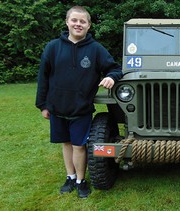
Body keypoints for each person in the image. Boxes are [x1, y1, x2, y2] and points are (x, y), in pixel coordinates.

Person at [35, 6, 122, 198]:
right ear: (67, 22)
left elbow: (115, 68)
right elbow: (43, 77)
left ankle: (81, 181)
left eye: (83, 21)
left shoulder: (96, 49)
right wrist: (42, 105)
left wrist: (112, 78)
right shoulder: (52, 47)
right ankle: (70, 176)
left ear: (89, 25)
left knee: (79, 146)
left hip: (81, 108)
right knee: (65, 144)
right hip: (57, 107)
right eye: (74, 20)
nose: (78, 24)